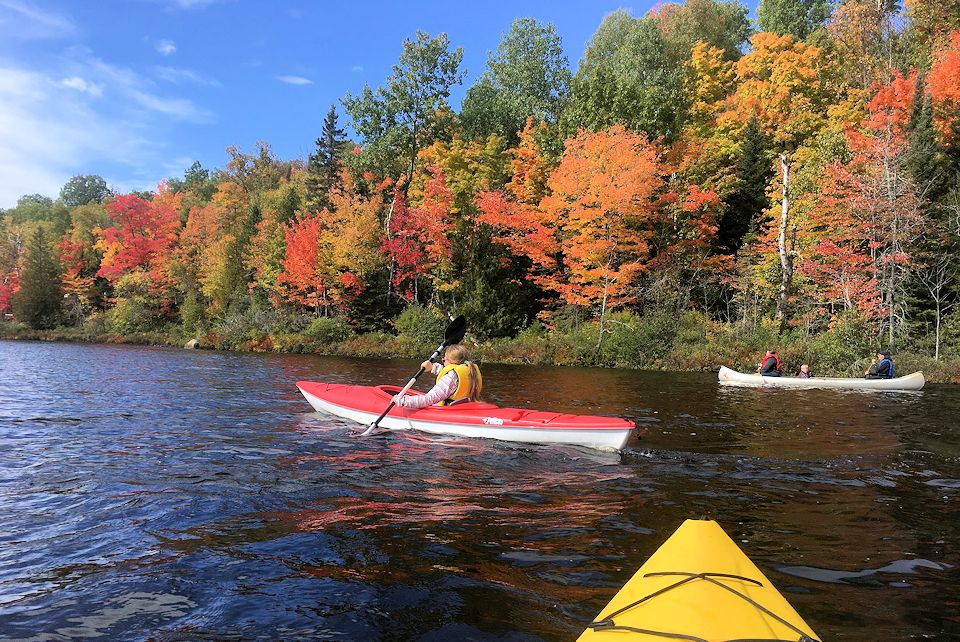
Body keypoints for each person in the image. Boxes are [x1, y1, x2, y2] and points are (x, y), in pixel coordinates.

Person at [393, 344, 483, 409]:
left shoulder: (450, 378)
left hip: (450, 413)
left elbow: (428, 399)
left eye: (444, 360)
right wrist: (432, 367)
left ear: (451, 362)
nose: (443, 362)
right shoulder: (471, 371)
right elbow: (451, 374)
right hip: (465, 408)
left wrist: (402, 401)